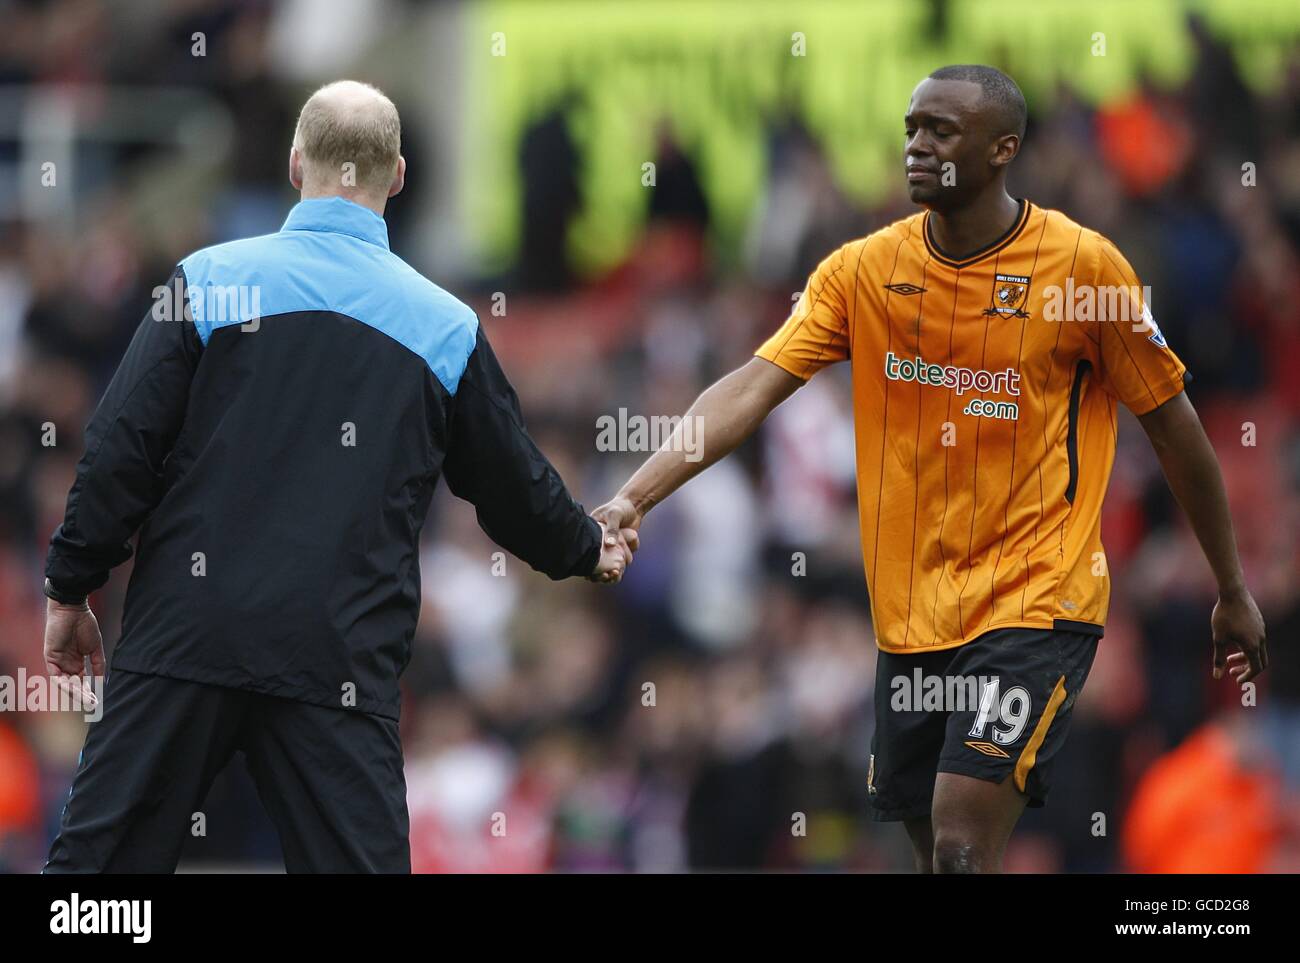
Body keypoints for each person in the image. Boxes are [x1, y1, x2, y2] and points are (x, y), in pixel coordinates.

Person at [593, 64, 1268, 873]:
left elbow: (1176, 426)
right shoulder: (863, 271)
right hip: (909, 619)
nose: (916, 145)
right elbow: (752, 385)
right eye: (912, 126)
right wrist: (635, 495)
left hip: (1034, 601)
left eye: (940, 131)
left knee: (957, 845)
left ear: (1002, 149)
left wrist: (1230, 587)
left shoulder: (1085, 272)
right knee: (937, 858)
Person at [41, 80, 633, 873]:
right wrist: (584, 544)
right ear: (396, 177)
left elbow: (121, 446)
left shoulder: (208, 278)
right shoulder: (445, 326)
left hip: (187, 631)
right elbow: (511, 486)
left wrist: (70, 583)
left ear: (294, 165)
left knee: (94, 888)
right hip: (337, 661)